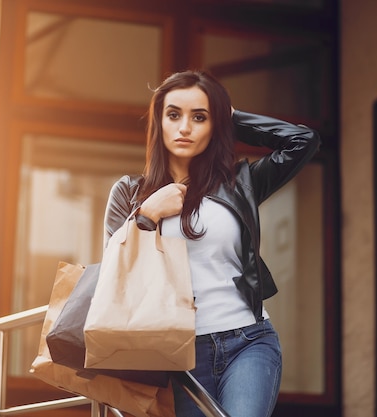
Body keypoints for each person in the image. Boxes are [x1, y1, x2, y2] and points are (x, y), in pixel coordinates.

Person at [102, 70, 320, 417]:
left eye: (199, 117)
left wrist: (232, 117)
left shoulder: (240, 184)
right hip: (180, 357)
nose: (185, 127)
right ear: (159, 122)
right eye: (174, 114)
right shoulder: (130, 194)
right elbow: (115, 273)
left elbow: (303, 141)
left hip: (249, 341)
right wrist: (146, 216)